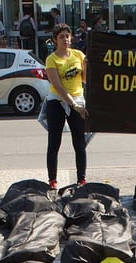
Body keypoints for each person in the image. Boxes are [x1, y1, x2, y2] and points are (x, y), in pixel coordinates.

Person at [44, 23, 88, 189]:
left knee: (79, 142)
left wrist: (86, 64)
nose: (65, 40)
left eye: (67, 36)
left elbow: (85, 80)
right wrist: (74, 105)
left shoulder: (78, 55)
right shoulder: (51, 59)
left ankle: (81, 179)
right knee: (54, 142)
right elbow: (58, 86)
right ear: (55, 40)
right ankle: (52, 180)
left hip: (77, 98)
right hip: (57, 101)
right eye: (61, 37)